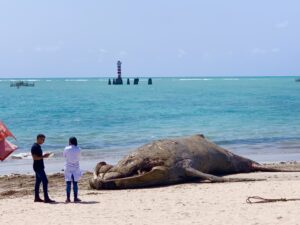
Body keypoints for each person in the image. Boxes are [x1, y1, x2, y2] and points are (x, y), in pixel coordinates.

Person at [31, 134, 55, 203]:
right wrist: (44, 156)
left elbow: (38, 156)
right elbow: (34, 158)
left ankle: (36, 197)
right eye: (42, 139)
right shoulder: (34, 146)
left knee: (38, 182)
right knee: (45, 181)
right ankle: (46, 198)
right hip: (38, 167)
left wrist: (44, 156)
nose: (43, 141)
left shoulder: (38, 146)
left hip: (39, 166)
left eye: (44, 140)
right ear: (38, 138)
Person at [63, 136, 82, 203]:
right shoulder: (79, 149)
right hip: (76, 167)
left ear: (70, 141)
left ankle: (68, 198)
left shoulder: (66, 148)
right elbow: (79, 157)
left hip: (68, 167)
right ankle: (75, 198)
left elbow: (64, 156)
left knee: (68, 183)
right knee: (75, 183)